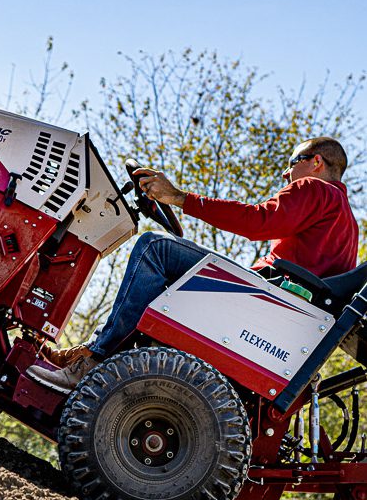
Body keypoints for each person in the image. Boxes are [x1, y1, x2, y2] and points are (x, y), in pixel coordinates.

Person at [28, 136, 360, 393]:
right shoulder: (348, 223)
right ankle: (97, 352)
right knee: (169, 271)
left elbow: (257, 221)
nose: (286, 173)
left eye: (292, 163)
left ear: (316, 162)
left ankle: (96, 359)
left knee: (155, 249)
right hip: (286, 322)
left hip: (265, 302)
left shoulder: (316, 189)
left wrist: (178, 198)